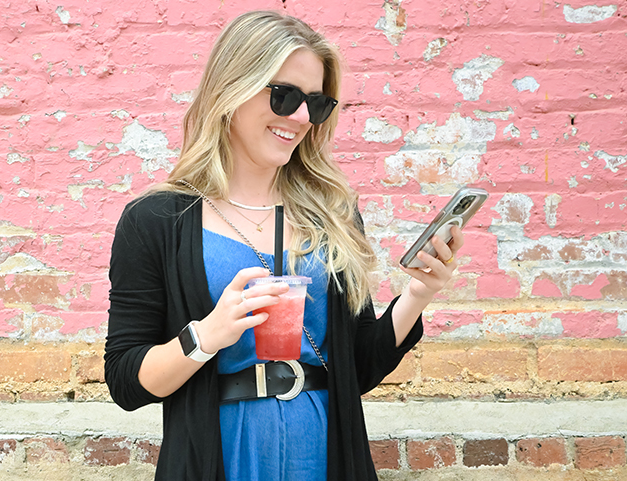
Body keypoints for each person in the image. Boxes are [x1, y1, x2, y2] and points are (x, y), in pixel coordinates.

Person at [104, 10, 463, 481]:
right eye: (284, 95)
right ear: (231, 88)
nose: (299, 118)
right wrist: (207, 334)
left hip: (324, 455)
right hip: (221, 457)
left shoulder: (330, 214)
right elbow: (128, 381)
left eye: (315, 104)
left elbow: (357, 368)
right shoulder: (156, 220)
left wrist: (417, 296)